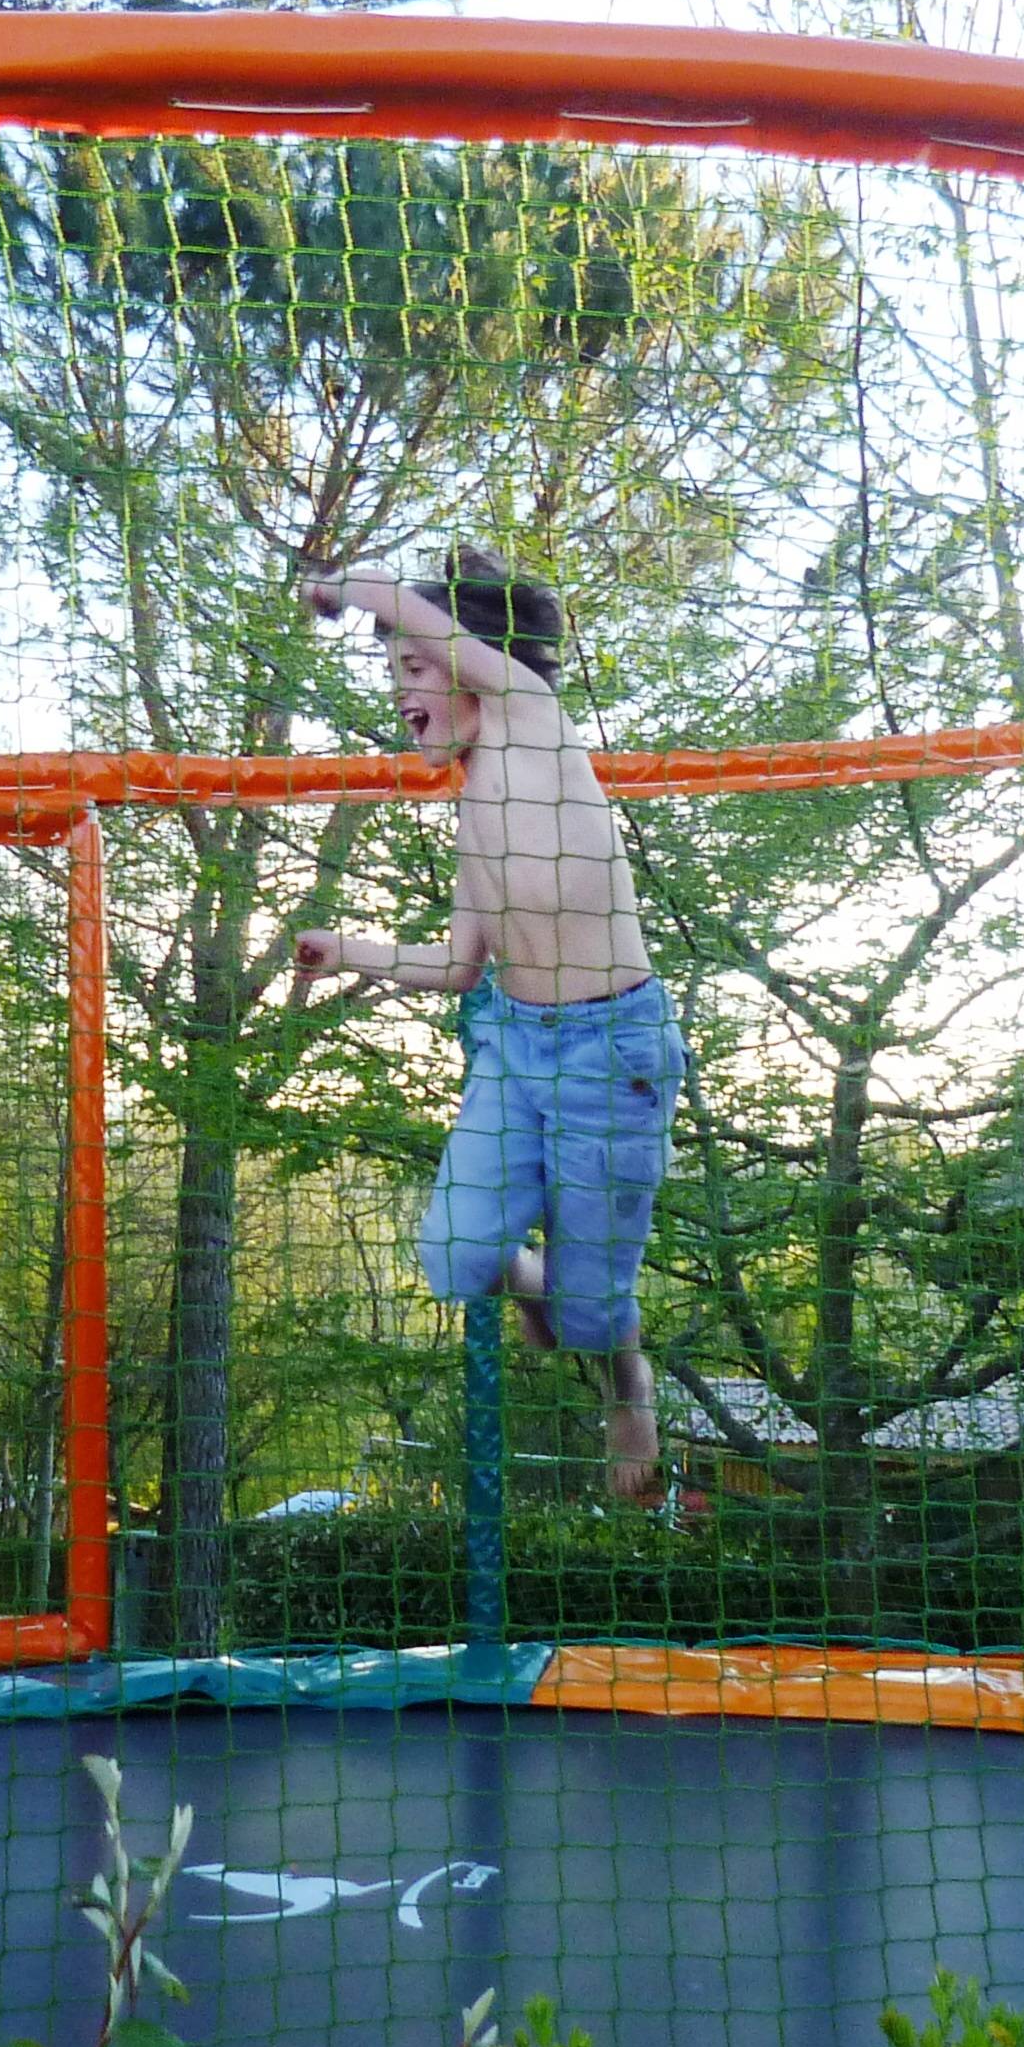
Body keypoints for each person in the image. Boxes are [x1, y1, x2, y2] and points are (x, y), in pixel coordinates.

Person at [289, 550, 684, 1503]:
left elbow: (408, 607)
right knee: (455, 1255)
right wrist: (349, 951)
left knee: (593, 1317)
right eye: (393, 675)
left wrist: (343, 589)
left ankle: (628, 1384)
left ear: (473, 663)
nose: (400, 694)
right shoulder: (475, 805)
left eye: (414, 668)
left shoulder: (530, 720)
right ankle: (537, 1282)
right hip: (514, 1043)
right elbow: (460, 967)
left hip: (612, 1053)